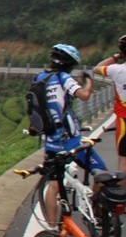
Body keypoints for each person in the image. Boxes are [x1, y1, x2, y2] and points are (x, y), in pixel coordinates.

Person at [36, 43, 103, 226]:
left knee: (53, 186)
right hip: (71, 141)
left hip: (51, 142)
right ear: (70, 64)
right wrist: (88, 82)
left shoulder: (40, 78)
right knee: (101, 174)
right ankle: (96, 213)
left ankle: (52, 228)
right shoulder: (64, 78)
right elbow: (84, 95)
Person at [94, 34, 126, 173]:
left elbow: (97, 68)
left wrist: (117, 56)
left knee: (124, 161)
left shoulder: (116, 70)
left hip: (124, 119)